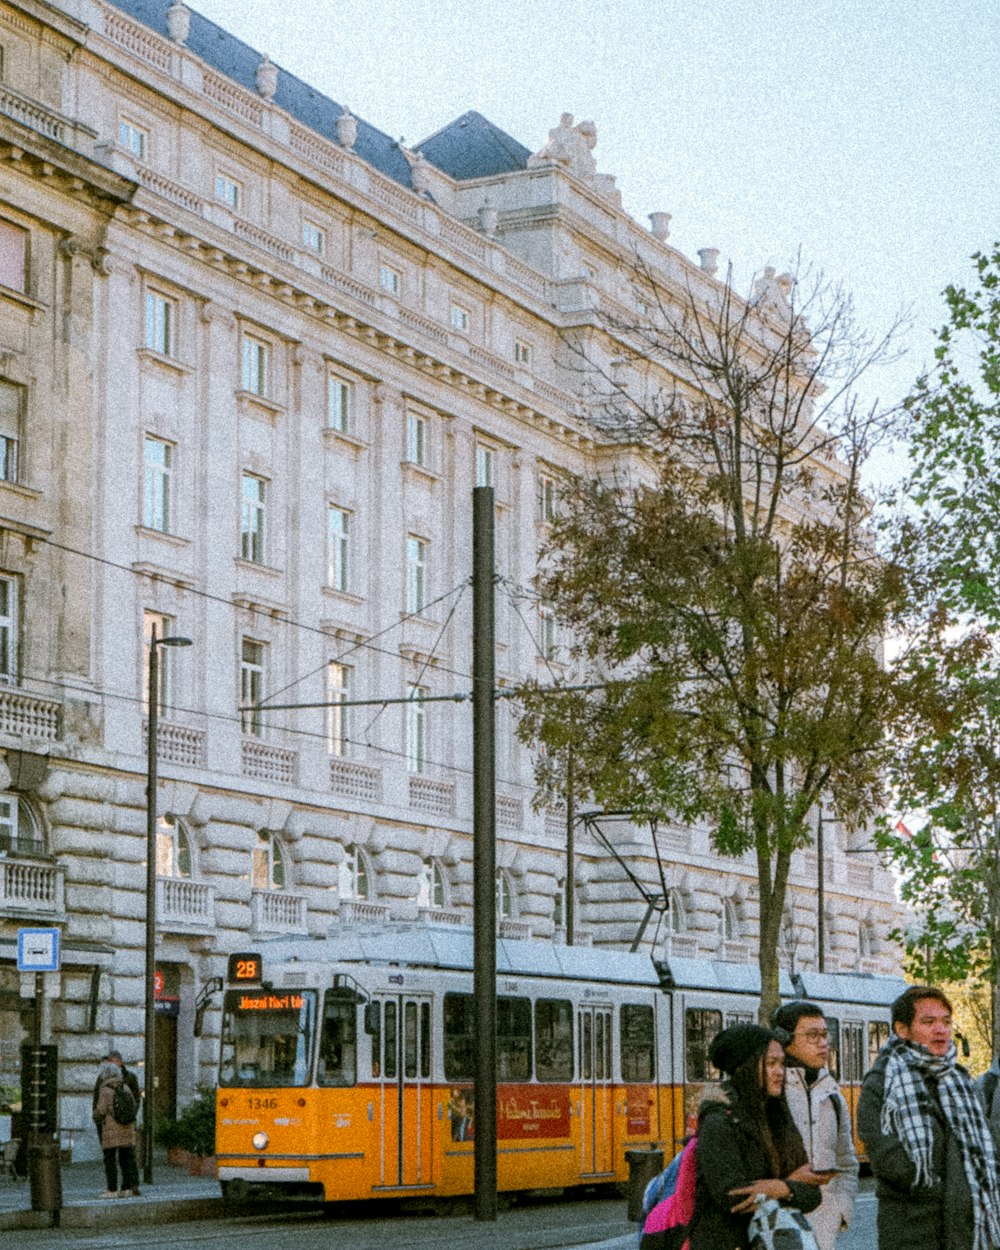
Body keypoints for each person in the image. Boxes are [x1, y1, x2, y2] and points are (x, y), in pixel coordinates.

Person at [858, 985, 1000, 1250]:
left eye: (946, 1022)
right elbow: (888, 1159)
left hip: (964, 1231)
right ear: (902, 1030)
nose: (941, 1029)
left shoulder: (961, 1081)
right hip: (911, 1231)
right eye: (928, 1022)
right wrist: (942, 1189)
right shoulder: (882, 1083)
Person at [687, 1023, 822, 1250]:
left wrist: (780, 1188)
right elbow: (734, 1197)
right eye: (770, 1064)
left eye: (782, 1063)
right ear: (745, 1067)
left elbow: (812, 1193)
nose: (780, 1072)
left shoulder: (778, 1116)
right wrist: (791, 1185)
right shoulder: (719, 1121)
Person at [772, 1001, 858, 1250]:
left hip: (824, 1231)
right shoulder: (771, 1093)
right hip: (777, 1229)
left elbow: (847, 1163)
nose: (823, 1043)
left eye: (824, 1035)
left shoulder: (833, 1096)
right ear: (785, 1039)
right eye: (812, 1036)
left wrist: (840, 1211)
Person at [92, 1060, 140, 1198]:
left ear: (104, 1075)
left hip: (111, 1130)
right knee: (125, 1159)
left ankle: (112, 1190)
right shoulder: (125, 1087)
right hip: (126, 1127)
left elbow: (101, 1110)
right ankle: (125, 1189)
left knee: (110, 1160)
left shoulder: (105, 1089)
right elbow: (133, 1103)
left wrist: (95, 1116)